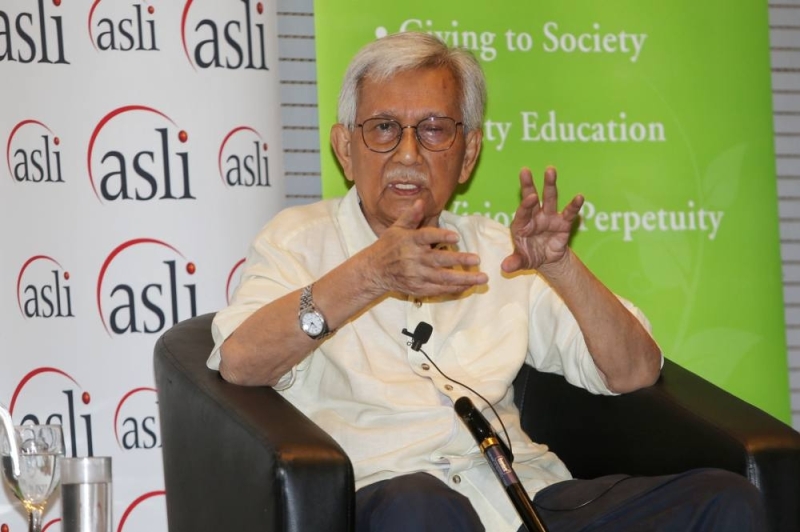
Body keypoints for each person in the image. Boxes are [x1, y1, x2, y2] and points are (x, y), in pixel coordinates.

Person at [207, 31, 765, 532]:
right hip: (394, 501)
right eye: (383, 128)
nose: (408, 153)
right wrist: (369, 275)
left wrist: (560, 267)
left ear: (468, 153)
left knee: (722, 501)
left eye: (433, 130)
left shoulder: (502, 250)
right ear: (345, 149)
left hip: (527, 500)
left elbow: (635, 370)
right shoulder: (298, 240)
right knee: (421, 507)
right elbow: (240, 361)